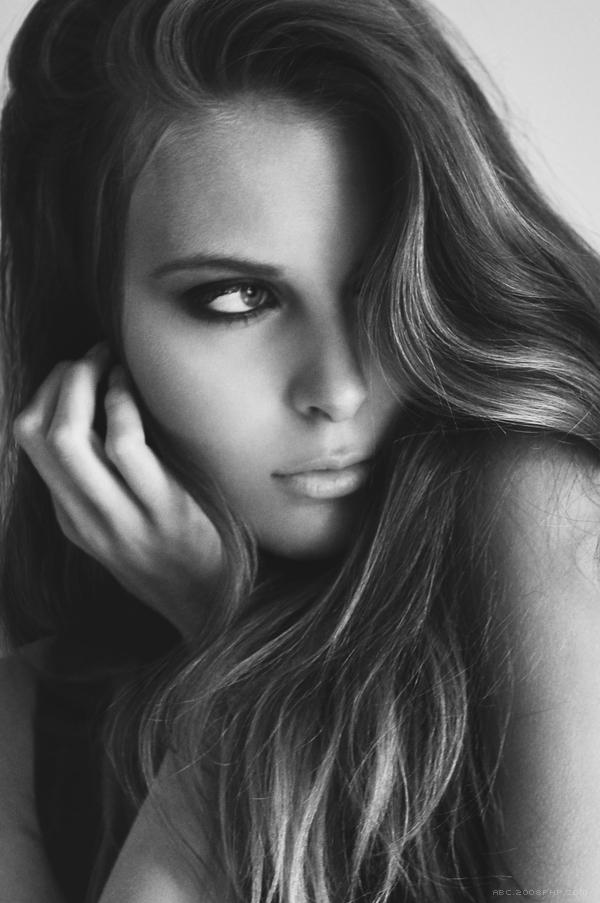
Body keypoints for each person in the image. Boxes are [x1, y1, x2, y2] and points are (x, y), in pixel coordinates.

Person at [2, 0, 600, 900]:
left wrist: (226, 636)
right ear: (99, 326)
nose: (340, 386)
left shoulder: (539, 505)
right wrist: (231, 647)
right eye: (237, 298)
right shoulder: (30, 712)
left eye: (383, 282)